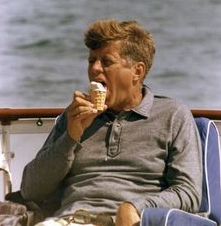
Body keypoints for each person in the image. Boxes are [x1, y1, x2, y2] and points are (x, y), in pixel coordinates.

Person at [20, 19, 203, 226]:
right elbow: (31, 190)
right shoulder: (73, 117)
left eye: (106, 62)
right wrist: (71, 136)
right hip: (67, 220)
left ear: (137, 72)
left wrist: (136, 207)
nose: (95, 69)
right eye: (91, 61)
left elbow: (188, 193)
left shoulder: (173, 115)